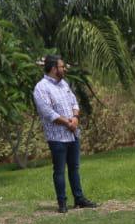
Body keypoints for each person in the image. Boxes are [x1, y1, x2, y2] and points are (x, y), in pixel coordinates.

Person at [32, 55, 97, 213]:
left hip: (72, 134)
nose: (64, 69)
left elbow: (74, 102)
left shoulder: (64, 84)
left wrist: (75, 118)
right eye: (62, 67)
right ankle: (62, 203)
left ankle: (79, 199)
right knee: (59, 170)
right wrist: (67, 123)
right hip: (57, 137)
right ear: (54, 69)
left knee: (74, 168)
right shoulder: (41, 88)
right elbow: (47, 113)